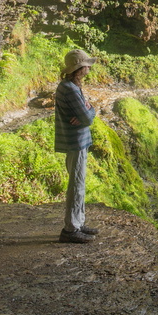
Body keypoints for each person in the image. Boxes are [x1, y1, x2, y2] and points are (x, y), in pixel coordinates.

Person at [55, 48, 99, 244]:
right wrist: (90, 110)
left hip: (77, 140)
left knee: (78, 183)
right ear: (79, 68)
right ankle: (71, 229)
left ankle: (78, 223)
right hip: (76, 141)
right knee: (76, 184)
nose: (89, 67)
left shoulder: (69, 85)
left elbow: (84, 114)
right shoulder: (71, 89)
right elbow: (87, 118)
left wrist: (88, 109)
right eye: (86, 65)